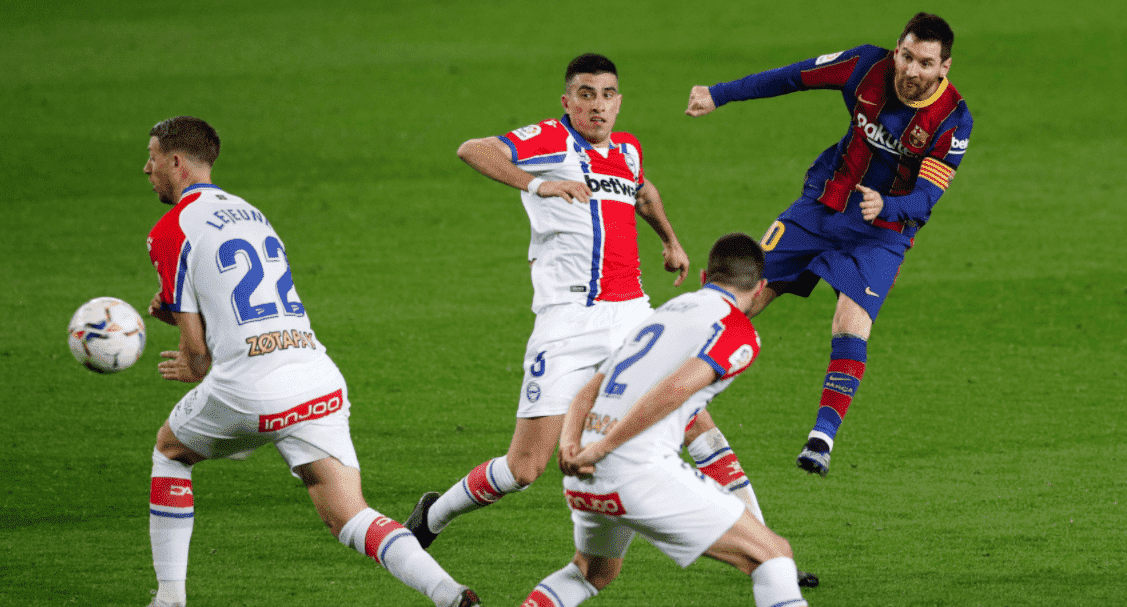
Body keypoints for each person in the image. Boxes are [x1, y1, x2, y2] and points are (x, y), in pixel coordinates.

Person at [405, 53, 774, 555]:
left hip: (632, 315)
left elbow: (643, 192)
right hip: (567, 321)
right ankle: (434, 514)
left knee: (694, 417)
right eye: (585, 94)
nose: (597, 105)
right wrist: (540, 183)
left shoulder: (626, 149)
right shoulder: (550, 141)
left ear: (619, 102)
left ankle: (764, 540)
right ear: (567, 101)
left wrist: (670, 241)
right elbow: (473, 149)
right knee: (525, 468)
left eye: (606, 95)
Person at [141, 116, 480, 607]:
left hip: (251, 389)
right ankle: (449, 594)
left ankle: (169, 598)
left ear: (175, 161)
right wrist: (180, 315)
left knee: (170, 452)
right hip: (317, 379)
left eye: (151, 157)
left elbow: (197, 359)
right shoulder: (251, 214)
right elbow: (242, 308)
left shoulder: (171, 230)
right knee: (350, 514)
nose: (145, 167)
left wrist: (185, 350)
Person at [685, 12, 973, 476]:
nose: (911, 71)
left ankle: (822, 437)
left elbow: (927, 196)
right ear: (895, 48)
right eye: (906, 56)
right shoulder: (864, 66)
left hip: (882, 232)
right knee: (741, 295)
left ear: (944, 67)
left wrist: (888, 207)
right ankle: (667, 383)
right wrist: (719, 94)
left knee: (850, 321)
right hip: (823, 206)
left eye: (925, 62)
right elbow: (794, 76)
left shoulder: (953, 120)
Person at [522, 233, 808, 607]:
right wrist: (604, 449)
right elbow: (676, 390)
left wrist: (572, 446)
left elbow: (588, 390)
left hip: (584, 478)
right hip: (635, 470)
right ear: (760, 288)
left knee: (591, 572)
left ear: (705, 276)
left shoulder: (666, 312)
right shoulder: (737, 331)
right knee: (773, 554)